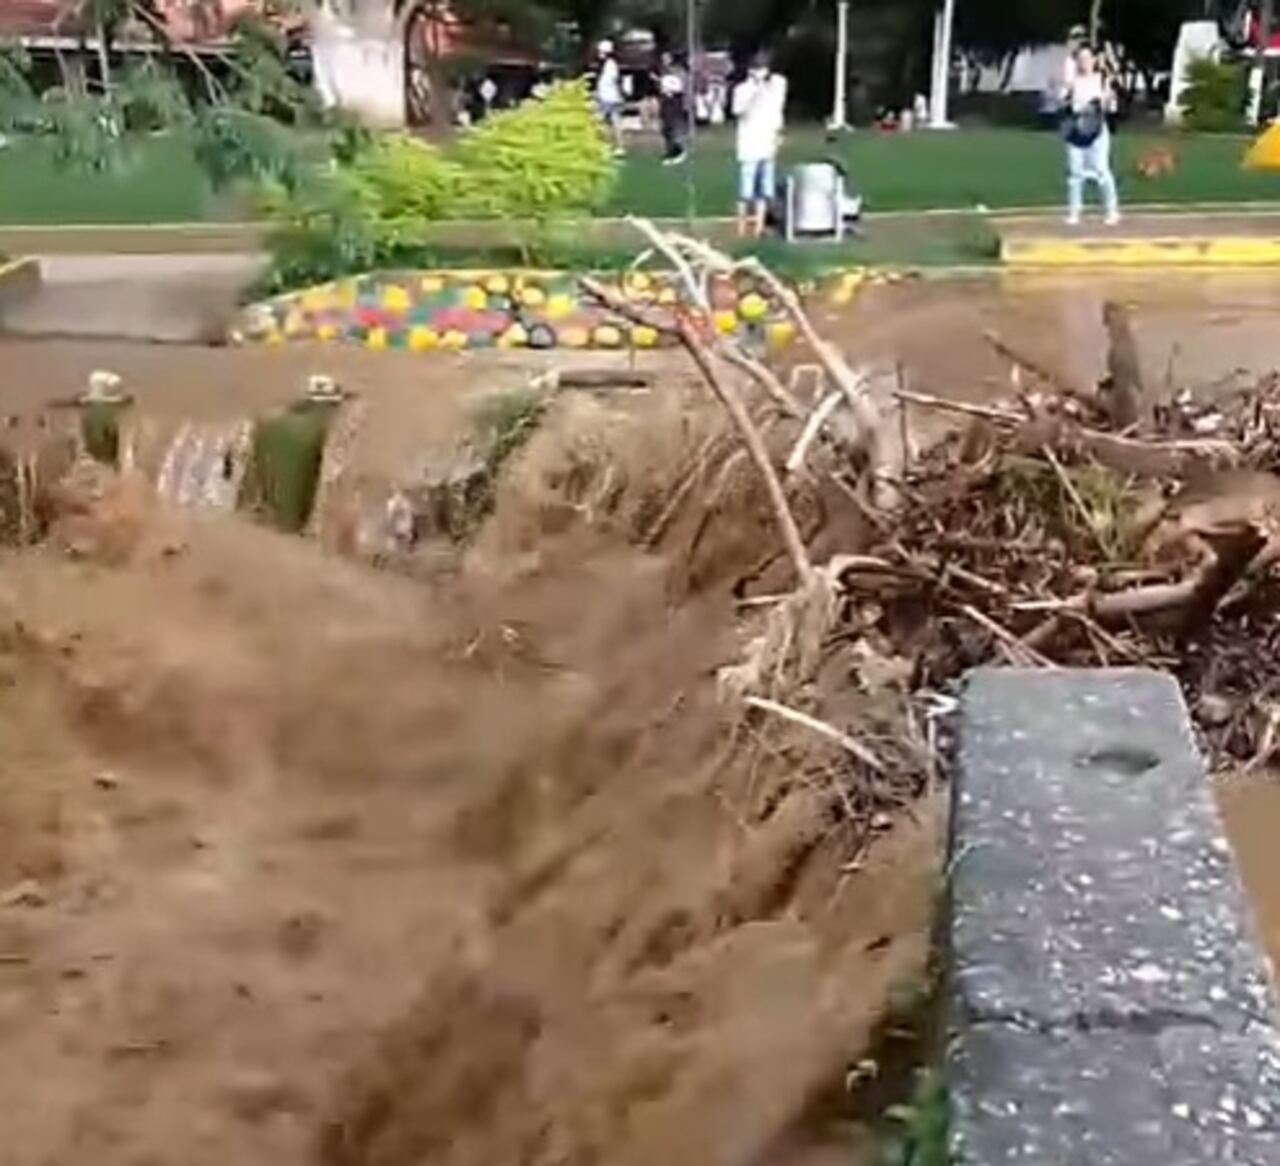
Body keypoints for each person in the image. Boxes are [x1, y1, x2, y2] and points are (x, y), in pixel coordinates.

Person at [1062, 44, 1121, 227]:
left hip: (1097, 131)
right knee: (1075, 173)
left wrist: (1108, 98)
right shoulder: (1073, 81)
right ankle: (1074, 211)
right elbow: (1062, 100)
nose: (1084, 62)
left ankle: (1111, 210)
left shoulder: (1101, 80)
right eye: (1081, 59)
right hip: (1076, 131)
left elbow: (1110, 106)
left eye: (1088, 58)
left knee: (1101, 170)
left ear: (1094, 60)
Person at [732, 53, 788, 238]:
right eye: (757, 68)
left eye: (763, 68)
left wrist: (778, 134)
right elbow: (738, 110)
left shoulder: (773, 88)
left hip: (767, 144)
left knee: (765, 191)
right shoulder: (742, 89)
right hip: (748, 145)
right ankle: (741, 229)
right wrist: (755, 93)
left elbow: (776, 112)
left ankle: (758, 228)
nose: (761, 72)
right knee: (745, 191)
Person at [595, 40, 626, 157]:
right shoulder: (611, 64)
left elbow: (608, 81)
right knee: (614, 122)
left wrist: (598, 94)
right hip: (612, 97)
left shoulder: (609, 64)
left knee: (600, 121)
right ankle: (619, 147)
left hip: (607, 97)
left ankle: (606, 146)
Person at [657, 52, 689, 166]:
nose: (664, 61)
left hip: (675, 101)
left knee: (675, 127)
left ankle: (679, 150)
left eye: (666, 58)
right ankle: (669, 150)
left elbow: (681, 87)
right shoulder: (663, 71)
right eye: (663, 58)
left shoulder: (678, 71)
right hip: (665, 101)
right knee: (665, 128)